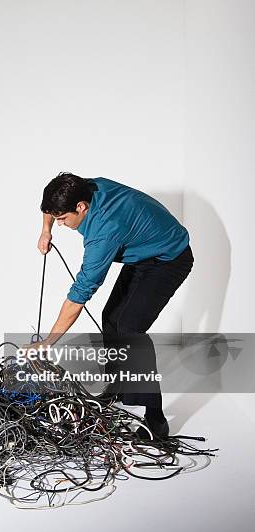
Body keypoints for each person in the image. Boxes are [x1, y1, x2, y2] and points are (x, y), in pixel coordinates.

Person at [29, 172, 193, 439]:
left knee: (130, 328)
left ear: (81, 207)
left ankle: (156, 419)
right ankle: (117, 387)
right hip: (144, 250)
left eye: (62, 219)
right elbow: (49, 204)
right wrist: (45, 230)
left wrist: (48, 341)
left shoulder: (103, 232)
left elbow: (79, 295)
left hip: (170, 258)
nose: (59, 224)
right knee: (111, 317)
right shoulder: (84, 188)